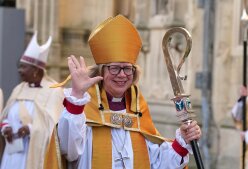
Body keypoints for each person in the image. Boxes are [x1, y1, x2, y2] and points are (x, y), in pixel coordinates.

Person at [44, 15, 201, 169]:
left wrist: (182, 142)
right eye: (114, 68)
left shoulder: (138, 112)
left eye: (127, 68)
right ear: (101, 71)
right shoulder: (83, 111)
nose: (122, 74)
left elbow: (157, 163)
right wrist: (77, 96)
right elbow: (68, 150)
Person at [0, 32, 64, 169]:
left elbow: (56, 128)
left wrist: (30, 129)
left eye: (23, 67)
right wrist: (6, 127)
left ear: (35, 69)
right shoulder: (19, 89)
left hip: (33, 153)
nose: (19, 70)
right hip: (11, 154)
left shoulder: (54, 91)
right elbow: (5, 116)